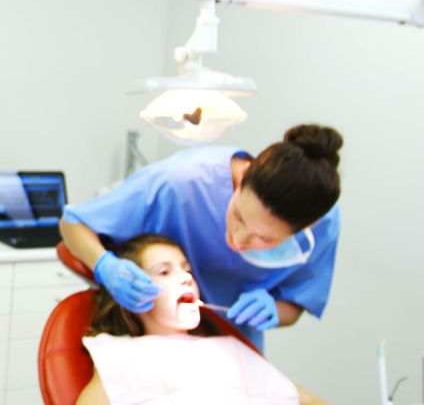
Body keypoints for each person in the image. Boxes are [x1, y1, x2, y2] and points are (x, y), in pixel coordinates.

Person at [61, 124, 342, 350]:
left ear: (310, 226)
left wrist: (275, 311)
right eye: (239, 217)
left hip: (233, 346)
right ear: (242, 176)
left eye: (264, 239)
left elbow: (296, 304)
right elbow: (73, 223)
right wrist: (104, 266)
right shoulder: (181, 181)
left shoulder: (322, 222)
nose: (239, 241)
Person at [76, 233, 326, 404]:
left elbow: (312, 401)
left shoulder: (229, 348)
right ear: (132, 294)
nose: (185, 278)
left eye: (187, 270)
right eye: (164, 271)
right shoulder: (121, 352)